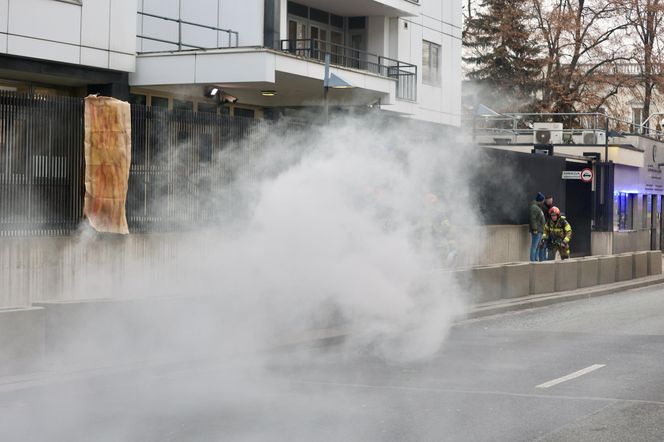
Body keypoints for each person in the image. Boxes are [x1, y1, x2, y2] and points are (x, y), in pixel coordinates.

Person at [529, 192, 546, 262]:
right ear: (540, 200)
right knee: (534, 246)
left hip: (540, 230)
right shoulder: (534, 207)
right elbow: (533, 219)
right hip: (537, 230)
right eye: (543, 200)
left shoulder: (538, 207)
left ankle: (536, 259)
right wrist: (535, 229)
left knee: (538, 246)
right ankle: (533, 260)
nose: (543, 202)